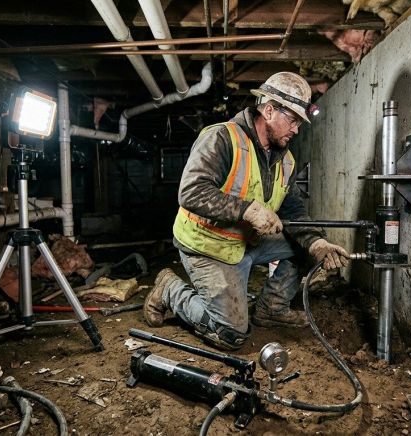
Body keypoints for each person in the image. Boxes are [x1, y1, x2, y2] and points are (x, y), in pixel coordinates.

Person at [143, 72, 349, 350]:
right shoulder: (222, 138)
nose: (296, 130)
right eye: (293, 120)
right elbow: (191, 192)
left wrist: (317, 242)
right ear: (269, 110)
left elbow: (293, 208)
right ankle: (170, 289)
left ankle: (272, 309)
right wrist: (248, 211)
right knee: (230, 334)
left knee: (308, 242)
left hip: (247, 242)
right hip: (207, 244)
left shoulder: (284, 159)